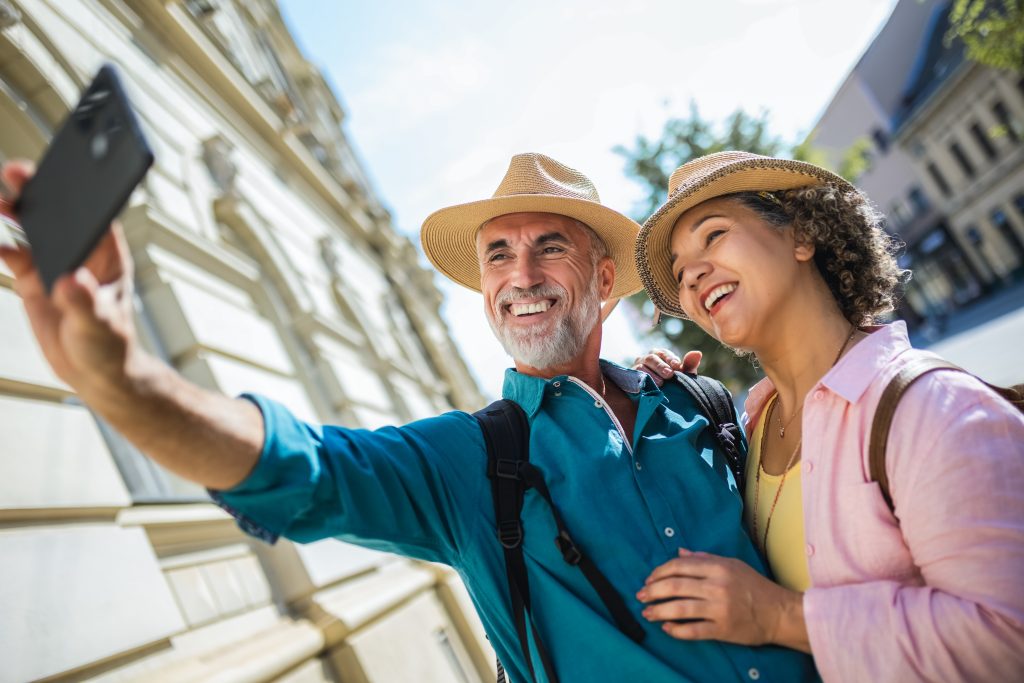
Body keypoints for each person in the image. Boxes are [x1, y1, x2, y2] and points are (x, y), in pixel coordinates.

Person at [0, 153, 815, 682]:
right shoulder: (473, 458)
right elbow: (305, 468)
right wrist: (123, 377)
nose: (520, 274)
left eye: (549, 248)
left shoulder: (699, 405)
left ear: (603, 277)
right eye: (499, 254)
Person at [631, 150, 1024, 682]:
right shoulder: (750, 428)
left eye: (714, 235)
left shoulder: (931, 407)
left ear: (801, 236)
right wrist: (653, 399)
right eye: (679, 272)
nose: (693, 274)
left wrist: (776, 617)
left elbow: (1008, 636)